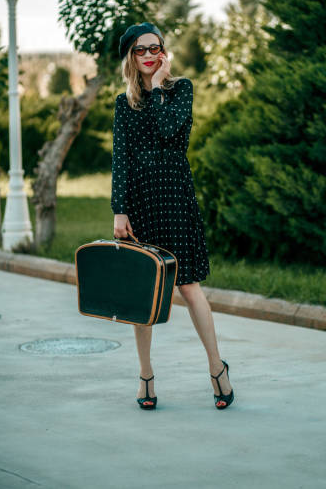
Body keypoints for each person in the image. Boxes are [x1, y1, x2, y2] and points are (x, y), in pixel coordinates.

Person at [111, 21, 234, 410]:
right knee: (143, 290)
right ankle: (146, 375)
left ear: (164, 51)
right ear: (131, 56)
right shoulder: (123, 102)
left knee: (188, 286)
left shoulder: (181, 89)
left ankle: (217, 367)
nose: (149, 55)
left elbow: (167, 130)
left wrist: (162, 83)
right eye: (141, 50)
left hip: (175, 196)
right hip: (141, 202)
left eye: (155, 48)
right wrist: (119, 209)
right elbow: (121, 160)